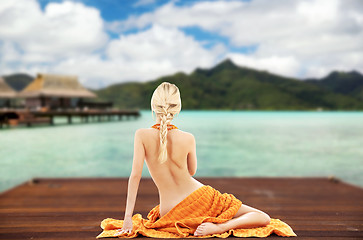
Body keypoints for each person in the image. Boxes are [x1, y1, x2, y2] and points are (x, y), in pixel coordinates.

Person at [116, 82, 271, 237]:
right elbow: (191, 171)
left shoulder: (141, 135)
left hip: (169, 211)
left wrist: (127, 217)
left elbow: (135, 176)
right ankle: (221, 227)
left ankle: (218, 226)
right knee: (262, 217)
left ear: (153, 106)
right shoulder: (188, 138)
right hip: (202, 200)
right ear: (177, 108)